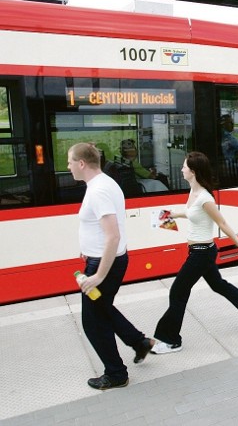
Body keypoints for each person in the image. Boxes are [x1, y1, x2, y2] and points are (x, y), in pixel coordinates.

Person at [151, 151, 238, 354]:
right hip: (200, 250)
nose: (181, 169)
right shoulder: (193, 192)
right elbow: (191, 213)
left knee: (177, 292)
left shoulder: (205, 198)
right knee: (218, 285)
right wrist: (168, 215)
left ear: (193, 171)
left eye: (184, 166)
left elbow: (221, 222)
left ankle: (171, 341)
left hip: (201, 253)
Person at [67, 143, 155, 390]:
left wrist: (97, 276)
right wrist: (88, 246)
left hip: (105, 264)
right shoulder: (102, 183)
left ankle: (116, 373)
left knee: (92, 322)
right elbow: (101, 227)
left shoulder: (99, 191)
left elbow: (112, 236)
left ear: (82, 163)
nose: (68, 166)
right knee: (103, 309)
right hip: (103, 259)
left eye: (70, 161)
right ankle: (139, 342)